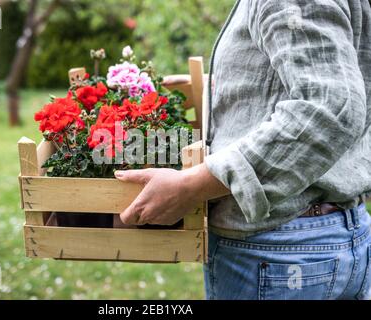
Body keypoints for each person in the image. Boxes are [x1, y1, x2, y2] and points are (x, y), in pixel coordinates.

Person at [114, 0, 371, 300]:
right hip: (342, 232)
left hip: (275, 248)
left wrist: (190, 186)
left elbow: (330, 106)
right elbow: (333, 74)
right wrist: (226, 84)